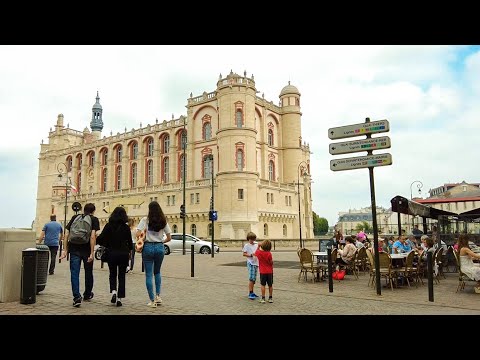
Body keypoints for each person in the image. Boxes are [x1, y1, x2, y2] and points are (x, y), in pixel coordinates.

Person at [59, 203, 100, 307]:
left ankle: (76, 297)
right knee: (88, 272)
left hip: (74, 249)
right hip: (86, 250)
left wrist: (65, 249)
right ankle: (87, 294)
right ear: (93, 211)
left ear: (83, 210)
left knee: (74, 273)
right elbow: (92, 237)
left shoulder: (74, 217)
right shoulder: (94, 219)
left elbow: (67, 234)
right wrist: (92, 253)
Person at [136, 201, 172, 307]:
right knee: (157, 272)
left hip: (147, 247)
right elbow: (169, 237)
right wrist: (161, 242)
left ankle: (152, 301)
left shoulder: (145, 220)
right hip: (159, 247)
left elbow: (138, 233)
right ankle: (158, 296)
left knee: (148, 274)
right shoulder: (163, 221)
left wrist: (144, 232)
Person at [96, 207, 133, 307]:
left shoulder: (108, 226)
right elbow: (130, 243)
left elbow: (101, 239)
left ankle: (113, 291)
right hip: (123, 254)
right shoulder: (126, 227)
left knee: (112, 274)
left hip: (112, 253)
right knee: (122, 276)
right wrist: (129, 253)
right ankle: (120, 298)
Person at [255, 239, 274, 304]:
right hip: (269, 271)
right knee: (270, 285)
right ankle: (270, 298)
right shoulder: (269, 253)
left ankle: (263, 298)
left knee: (263, 285)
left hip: (262, 271)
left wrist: (258, 246)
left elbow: (255, 252)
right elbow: (271, 262)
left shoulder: (259, 253)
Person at [242, 231, 259, 300]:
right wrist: (251, 255)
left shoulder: (257, 244)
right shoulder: (247, 245)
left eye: (253, 239)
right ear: (248, 239)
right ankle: (250, 293)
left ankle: (252, 292)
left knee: (254, 279)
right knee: (251, 278)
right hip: (251, 262)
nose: (252, 241)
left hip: (256, 263)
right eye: (251, 239)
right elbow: (244, 254)